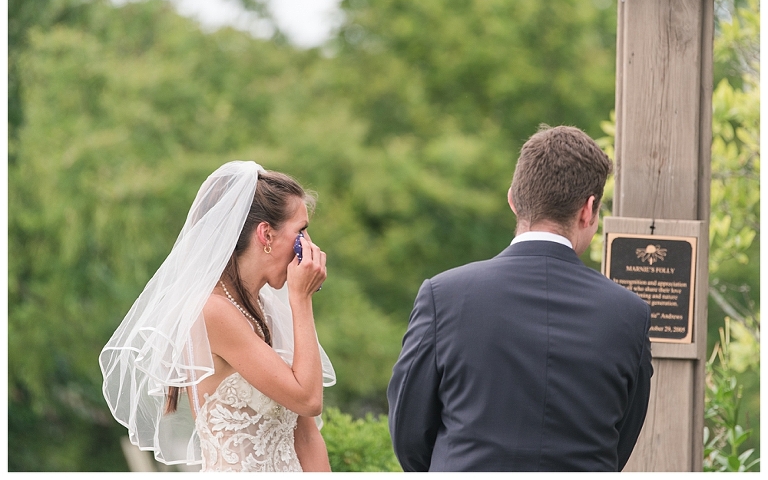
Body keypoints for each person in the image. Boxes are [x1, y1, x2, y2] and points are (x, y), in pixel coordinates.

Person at [387, 125, 653, 472]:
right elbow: (621, 442)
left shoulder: (444, 296)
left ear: (513, 199)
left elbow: (408, 436)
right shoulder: (630, 315)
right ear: (588, 210)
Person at [99, 161, 336, 472]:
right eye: (300, 232)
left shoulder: (270, 308)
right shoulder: (212, 312)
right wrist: (302, 300)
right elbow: (308, 399)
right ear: (266, 234)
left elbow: (306, 436)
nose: (309, 247)